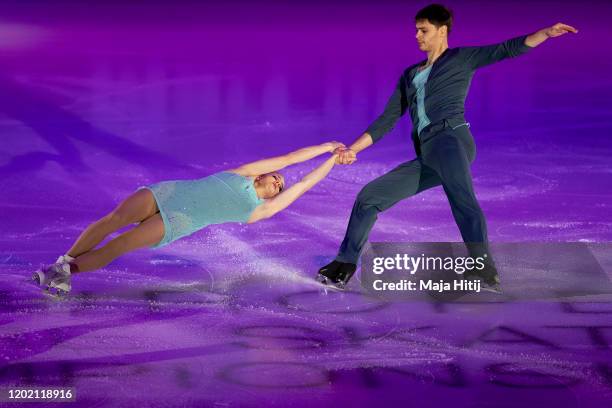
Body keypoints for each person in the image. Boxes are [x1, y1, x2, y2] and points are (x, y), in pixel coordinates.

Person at [317, 3, 578, 290]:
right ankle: (344, 263)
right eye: (416, 30)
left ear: (442, 31)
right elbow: (387, 120)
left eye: (423, 30)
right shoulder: (409, 75)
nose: (417, 35)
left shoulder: (461, 58)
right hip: (429, 152)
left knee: (462, 199)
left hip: (451, 140)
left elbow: (506, 48)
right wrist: (353, 149)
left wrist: (545, 33)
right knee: (369, 197)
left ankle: (484, 269)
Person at [33, 141, 344, 295]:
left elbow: (303, 184)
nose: (278, 181)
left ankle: (64, 273)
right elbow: (290, 159)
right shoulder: (244, 173)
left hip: (180, 221)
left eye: (280, 186)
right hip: (167, 194)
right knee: (113, 219)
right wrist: (328, 146)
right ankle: (64, 262)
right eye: (276, 177)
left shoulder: (259, 210)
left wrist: (331, 161)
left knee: (120, 245)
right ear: (264, 174)